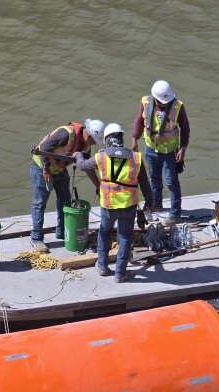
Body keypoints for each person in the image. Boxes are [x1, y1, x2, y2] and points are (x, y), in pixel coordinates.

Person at [75, 123, 153, 283]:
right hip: (128, 205)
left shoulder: (101, 157)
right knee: (125, 237)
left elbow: (82, 166)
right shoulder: (136, 158)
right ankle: (120, 273)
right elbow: (145, 185)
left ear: (107, 140)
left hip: (108, 205)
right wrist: (149, 203)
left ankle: (103, 266)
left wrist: (78, 155)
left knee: (104, 232)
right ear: (121, 138)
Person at [30, 119, 105, 253]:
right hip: (42, 168)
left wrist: (98, 186)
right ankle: (36, 238)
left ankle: (62, 231)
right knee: (39, 203)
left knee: (65, 201)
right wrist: (46, 170)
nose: (93, 144)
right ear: (88, 136)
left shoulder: (86, 147)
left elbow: (88, 168)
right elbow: (44, 148)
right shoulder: (66, 134)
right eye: (93, 141)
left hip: (59, 169)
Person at [131, 80, 190, 223]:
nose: (165, 104)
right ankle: (156, 204)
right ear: (156, 99)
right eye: (162, 102)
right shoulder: (145, 102)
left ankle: (175, 214)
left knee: (172, 182)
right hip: (151, 148)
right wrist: (134, 139)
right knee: (154, 178)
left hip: (169, 151)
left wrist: (182, 148)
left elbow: (185, 128)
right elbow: (139, 120)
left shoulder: (177, 106)